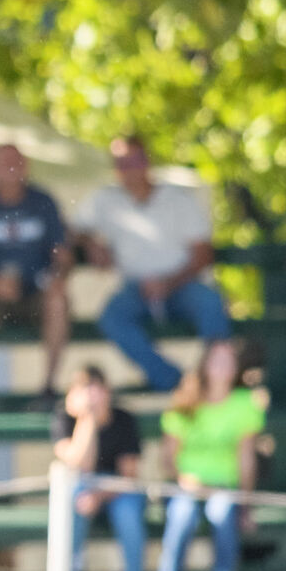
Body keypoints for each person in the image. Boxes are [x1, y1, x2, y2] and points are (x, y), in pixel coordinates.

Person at [78, 135, 229, 391]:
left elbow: (203, 254)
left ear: (146, 162)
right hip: (136, 288)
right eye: (122, 163)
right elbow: (72, 229)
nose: (129, 169)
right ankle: (175, 382)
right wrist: (90, 244)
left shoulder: (177, 199)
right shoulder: (105, 201)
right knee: (112, 317)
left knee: (211, 303)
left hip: (182, 284)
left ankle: (216, 380)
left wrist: (169, 283)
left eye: (134, 161)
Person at [155, 339, 265, 571]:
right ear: (204, 364)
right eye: (216, 359)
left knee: (222, 512)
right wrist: (183, 479)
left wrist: (246, 506)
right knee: (181, 514)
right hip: (186, 489)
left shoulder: (244, 405)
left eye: (228, 360)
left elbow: (246, 461)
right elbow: (167, 460)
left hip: (224, 489)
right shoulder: (184, 401)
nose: (222, 366)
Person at [0, 144, 71, 399]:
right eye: (4, 163)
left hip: (36, 292)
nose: (11, 168)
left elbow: (62, 256)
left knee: (58, 297)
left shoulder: (44, 202)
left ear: (26, 166)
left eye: (16, 162)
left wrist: (56, 277)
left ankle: (49, 387)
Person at [51, 365, 146, 571]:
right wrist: (87, 420)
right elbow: (77, 464)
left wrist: (99, 494)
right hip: (83, 488)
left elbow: (129, 476)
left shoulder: (124, 420)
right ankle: (74, 567)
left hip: (117, 491)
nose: (92, 396)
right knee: (75, 493)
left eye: (97, 388)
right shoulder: (64, 419)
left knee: (129, 511)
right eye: (85, 389)